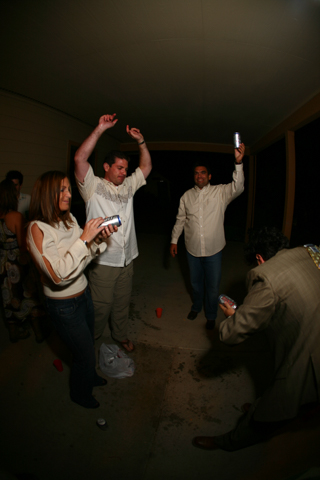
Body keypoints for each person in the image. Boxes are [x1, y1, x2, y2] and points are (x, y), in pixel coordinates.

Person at [193, 227, 320, 451]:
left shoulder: (266, 277)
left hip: (311, 358)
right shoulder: (309, 250)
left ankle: (230, 441)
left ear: (259, 258)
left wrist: (235, 317)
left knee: (271, 411)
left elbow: (230, 334)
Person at [26, 171, 117, 409]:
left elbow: (82, 259)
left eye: (69, 189)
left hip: (83, 295)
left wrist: (97, 240)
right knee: (84, 354)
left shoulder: (68, 219)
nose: (69, 194)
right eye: (63, 190)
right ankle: (80, 393)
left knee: (89, 343)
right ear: (47, 194)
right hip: (63, 305)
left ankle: (90, 376)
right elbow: (58, 275)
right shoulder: (37, 228)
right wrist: (84, 240)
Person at [74, 113, 152, 352]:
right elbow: (79, 158)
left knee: (121, 303)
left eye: (125, 169)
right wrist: (100, 129)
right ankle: (92, 339)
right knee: (100, 305)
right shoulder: (92, 186)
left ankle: (119, 334)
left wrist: (141, 141)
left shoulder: (128, 185)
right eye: (119, 168)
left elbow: (146, 166)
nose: (123, 172)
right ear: (106, 167)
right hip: (104, 260)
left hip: (128, 258)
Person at [170, 145, 245, 329]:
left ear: (209, 176)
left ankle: (211, 315)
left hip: (214, 250)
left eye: (203, 173)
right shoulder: (186, 196)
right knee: (195, 284)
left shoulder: (220, 192)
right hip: (192, 249)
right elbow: (180, 219)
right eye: (196, 173)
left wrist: (238, 163)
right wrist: (173, 240)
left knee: (212, 287)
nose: (199, 176)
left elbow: (238, 187)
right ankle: (196, 307)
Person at [0, 179, 47, 343]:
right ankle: (39, 333)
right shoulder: (15, 216)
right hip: (17, 263)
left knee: (8, 297)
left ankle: (13, 332)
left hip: (2, 263)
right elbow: (22, 245)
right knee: (30, 295)